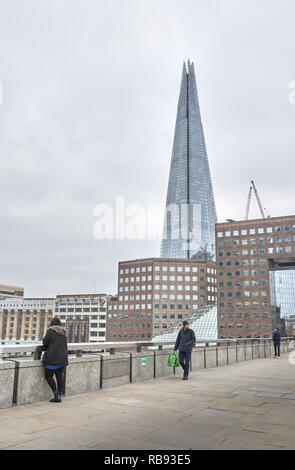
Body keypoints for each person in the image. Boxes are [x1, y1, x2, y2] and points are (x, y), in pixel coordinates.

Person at [42, 316, 68, 402]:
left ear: (52, 323)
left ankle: (56, 395)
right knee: (59, 376)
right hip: (63, 357)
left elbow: (45, 343)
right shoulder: (63, 331)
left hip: (53, 358)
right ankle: (59, 394)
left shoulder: (50, 330)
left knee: (48, 376)